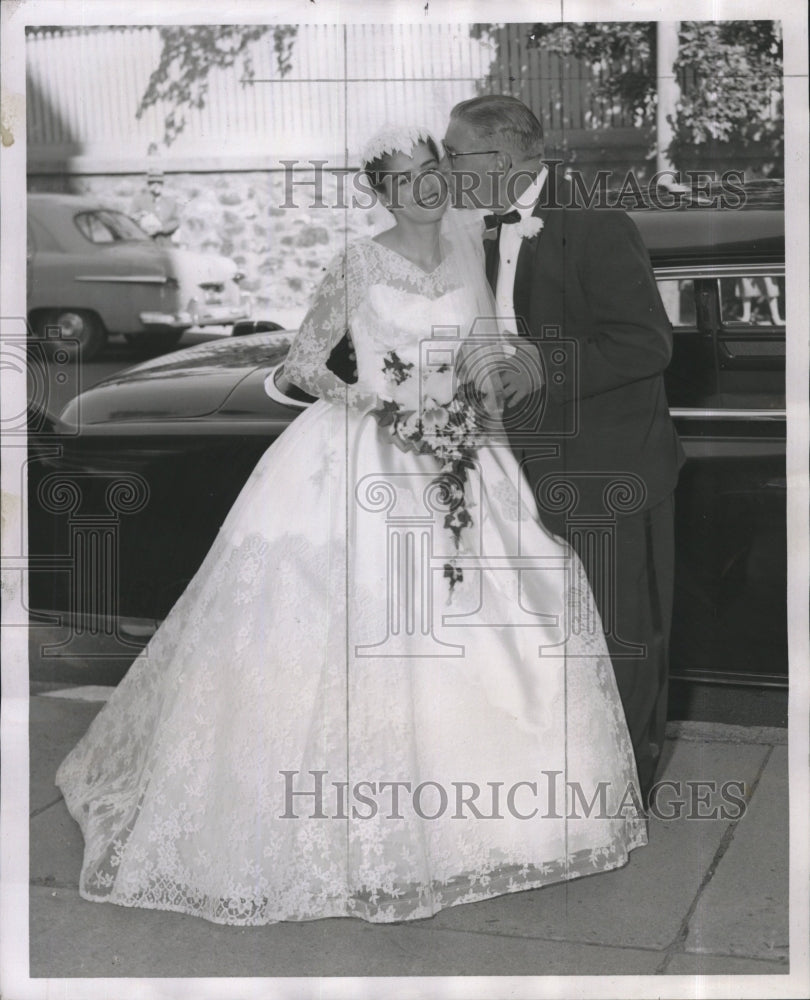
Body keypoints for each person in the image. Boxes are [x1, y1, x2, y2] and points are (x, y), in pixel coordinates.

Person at [55, 125, 646, 927]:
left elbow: (486, 351)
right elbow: (302, 364)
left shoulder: (471, 249)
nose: (424, 189)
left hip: (465, 451)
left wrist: (476, 406)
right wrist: (375, 406)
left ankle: (502, 821)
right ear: (380, 192)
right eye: (404, 180)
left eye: (432, 171)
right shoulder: (357, 263)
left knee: (506, 610)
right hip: (366, 453)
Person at [441, 96, 685, 803]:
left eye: (454, 156)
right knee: (549, 635)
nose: (446, 170)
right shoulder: (474, 231)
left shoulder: (597, 223)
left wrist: (539, 366)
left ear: (501, 158)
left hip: (610, 467)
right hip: (518, 469)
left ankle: (623, 798)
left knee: (621, 636)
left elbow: (646, 345)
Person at [130, 166, 181, 245]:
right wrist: (141, 217)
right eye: (153, 183)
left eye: (159, 182)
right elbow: (131, 219)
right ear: (148, 185)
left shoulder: (170, 202)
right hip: (145, 243)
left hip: (165, 242)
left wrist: (161, 228)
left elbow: (176, 221)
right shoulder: (139, 200)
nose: (156, 185)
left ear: (162, 184)